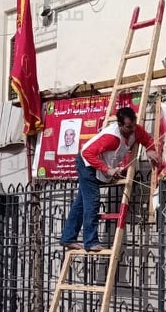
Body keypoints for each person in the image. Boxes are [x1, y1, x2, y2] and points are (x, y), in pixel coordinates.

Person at [60, 106, 158, 252]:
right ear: (119, 125)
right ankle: (90, 242)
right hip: (86, 165)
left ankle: (68, 238)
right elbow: (87, 153)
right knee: (92, 201)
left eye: (133, 125)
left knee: (81, 203)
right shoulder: (111, 137)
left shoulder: (135, 130)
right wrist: (108, 170)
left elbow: (147, 138)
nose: (132, 130)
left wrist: (150, 149)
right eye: (128, 127)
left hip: (95, 165)